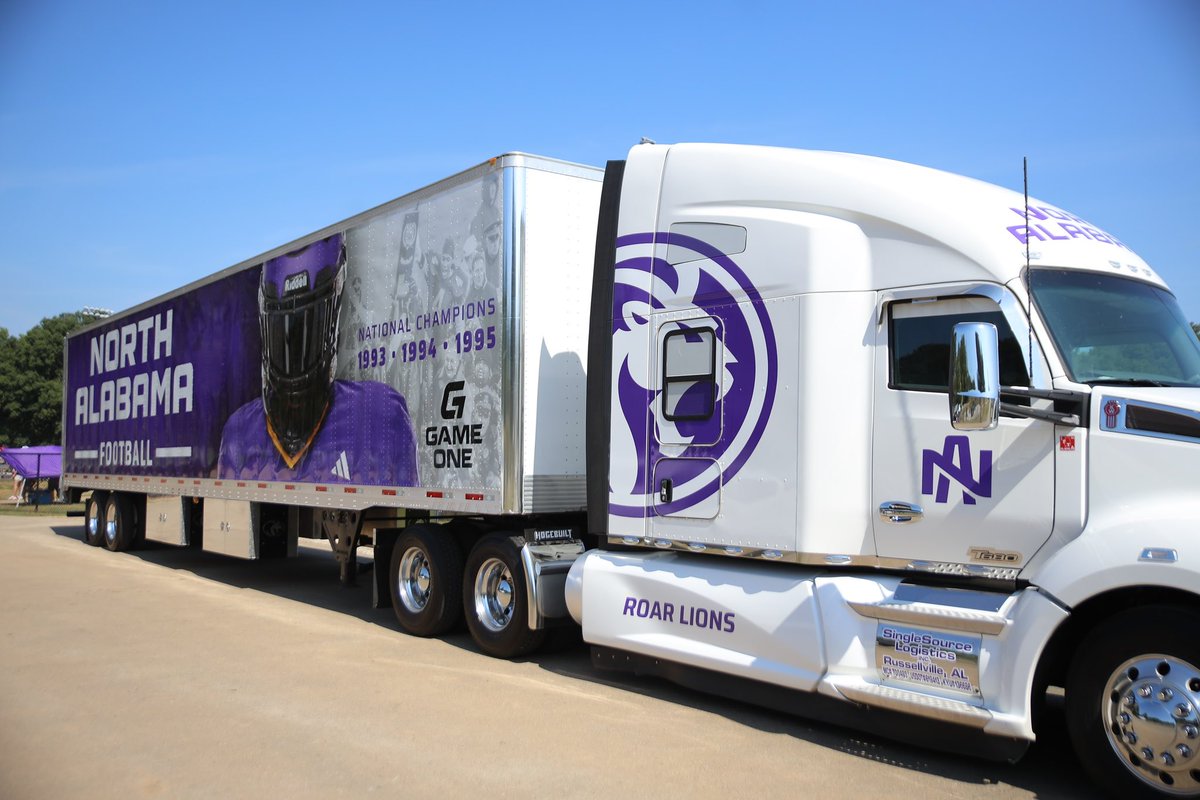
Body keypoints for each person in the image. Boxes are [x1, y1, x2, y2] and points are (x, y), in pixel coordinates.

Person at [217, 233, 419, 485]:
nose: (294, 343)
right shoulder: (239, 434)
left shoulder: (380, 414)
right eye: (285, 330)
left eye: (306, 326)